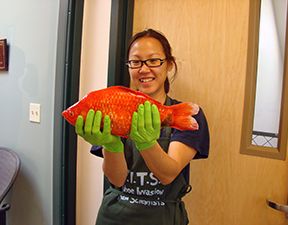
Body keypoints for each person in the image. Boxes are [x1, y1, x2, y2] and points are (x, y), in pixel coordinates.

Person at [75, 29, 210, 225]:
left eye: (154, 60)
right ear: (129, 66)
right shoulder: (112, 109)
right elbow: (117, 180)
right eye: (136, 62)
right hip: (114, 216)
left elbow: (167, 175)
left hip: (163, 217)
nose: (144, 69)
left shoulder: (188, 115)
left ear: (169, 64)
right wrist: (111, 145)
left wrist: (146, 142)